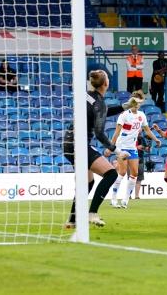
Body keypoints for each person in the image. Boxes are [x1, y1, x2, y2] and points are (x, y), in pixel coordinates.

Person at [63, 69, 139, 228]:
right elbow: (99, 132)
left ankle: (72, 220)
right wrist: (116, 150)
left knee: (88, 182)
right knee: (111, 174)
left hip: (69, 143)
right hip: (79, 145)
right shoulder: (99, 103)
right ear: (106, 83)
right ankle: (92, 213)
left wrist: (125, 106)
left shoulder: (87, 96)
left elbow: (101, 112)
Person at [109, 90, 161, 208]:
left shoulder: (141, 115)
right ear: (131, 101)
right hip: (122, 147)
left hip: (132, 148)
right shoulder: (124, 115)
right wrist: (111, 146)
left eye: (139, 102)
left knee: (135, 173)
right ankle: (114, 198)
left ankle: (125, 199)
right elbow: (116, 132)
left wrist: (156, 139)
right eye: (135, 101)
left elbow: (147, 130)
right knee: (122, 172)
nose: (137, 104)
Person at [134, 133, 150, 199]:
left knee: (139, 178)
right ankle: (128, 195)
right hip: (131, 159)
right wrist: (137, 147)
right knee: (131, 178)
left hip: (140, 159)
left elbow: (147, 150)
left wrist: (147, 147)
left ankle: (137, 196)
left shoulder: (142, 138)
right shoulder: (129, 137)